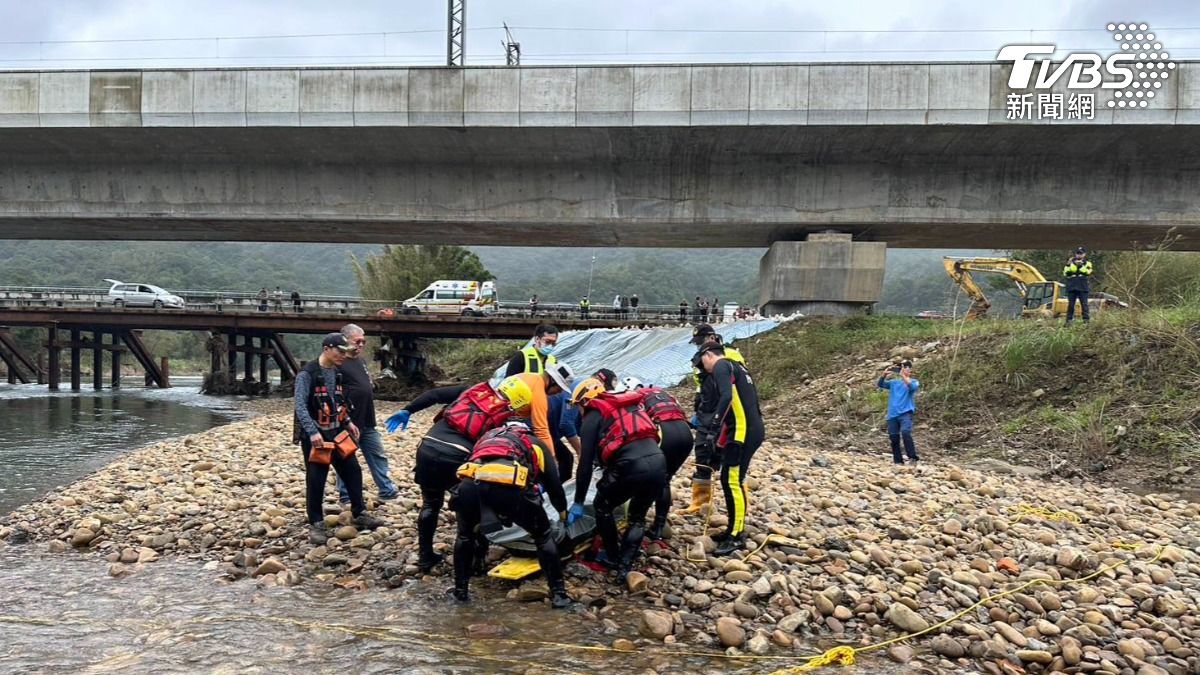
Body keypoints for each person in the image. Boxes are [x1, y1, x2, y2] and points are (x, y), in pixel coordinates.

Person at [384, 364, 574, 570]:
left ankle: (425, 556)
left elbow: (434, 395)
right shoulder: (505, 416)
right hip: (457, 455)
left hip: (427, 447)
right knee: (475, 507)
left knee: (430, 503)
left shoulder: (473, 391)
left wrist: (408, 410)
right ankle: (477, 561)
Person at [451, 421, 572, 608]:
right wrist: (563, 513)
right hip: (509, 488)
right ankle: (559, 596)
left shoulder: (486, 439)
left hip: (470, 486)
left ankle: (460, 591)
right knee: (543, 537)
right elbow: (554, 485)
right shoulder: (534, 443)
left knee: (465, 536)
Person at [566, 378, 666, 580]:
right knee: (637, 518)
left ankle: (611, 556)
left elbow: (585, 464)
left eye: (577, 406)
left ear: (584, 401)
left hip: (630, 466)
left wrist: (578, 502)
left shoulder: (593, 415)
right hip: (658, 461)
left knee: (602, 507)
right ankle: (625, 567)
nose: (579, 411)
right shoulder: (628, 406)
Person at [294, 333, 384, 545]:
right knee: (316, 478)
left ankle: (359, 512)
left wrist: (348, 422)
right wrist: (312, 432)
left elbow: (339, 401)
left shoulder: (336, 372)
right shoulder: (307, 374)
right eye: (340, 351)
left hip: (337, 432)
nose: (344, 355)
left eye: (346, 352)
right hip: (316, 436)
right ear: (327, 349)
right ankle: (316, 523)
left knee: (353, 470)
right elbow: (300, 406)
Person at [695, 343, 764, 556]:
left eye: (702, 361)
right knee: (730, 479)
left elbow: (726, 397)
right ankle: (733, 528)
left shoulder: (721, 365)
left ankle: (736, 535)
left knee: (733, 481)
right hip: (748, 429)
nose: (702, 366)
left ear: (708, 354)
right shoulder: (738, 366)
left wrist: (713, 427)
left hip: (743, 432)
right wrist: (721, 441)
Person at [682, 324, 747, 515]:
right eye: (696, 343)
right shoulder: (700, 358)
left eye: (701, 341)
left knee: (731, 463)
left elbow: (738, 385)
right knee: (702, 456)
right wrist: (698, 410)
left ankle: (739, 506)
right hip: (705, 412)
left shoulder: (730, 355)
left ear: (711, 337)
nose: (698, 345)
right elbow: (700, 386)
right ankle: (700, 503)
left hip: (726, 413)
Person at [335, 324, 399, 505]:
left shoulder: (360, 361)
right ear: (345, 340)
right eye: (357, 341)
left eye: (363, 341)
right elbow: (334, 394)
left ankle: (387, 490)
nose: (361, 344)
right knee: (346, 458)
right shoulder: (338, 362)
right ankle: (346, 495)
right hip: (348, 421)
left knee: (378, 455)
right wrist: (344, 419)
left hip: (367, 419)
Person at [623, 377, 692, 541]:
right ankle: (659, 526)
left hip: (666, 434)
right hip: (686, 434)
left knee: (653, 480)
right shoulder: (662, 393)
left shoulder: (634, 398)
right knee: (665, 480)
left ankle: (636, 522)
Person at [878, 360, 920, 465]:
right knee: (894, 438)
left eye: (905, 367)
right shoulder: (894, 382)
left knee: (906, 432)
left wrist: (903, 376)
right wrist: (883, 375)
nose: (903, 369)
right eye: (901, 367)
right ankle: (898, 461)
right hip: (892, 414)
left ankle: (912, 458)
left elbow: (912, 387)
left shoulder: (914, 381)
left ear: (909, 369)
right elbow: (880, 384)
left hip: (905, 413)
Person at [1063, 246, 1094, 324]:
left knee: (1084, 304)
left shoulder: (1088, 263)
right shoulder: (1070, 262)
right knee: (1071, 305)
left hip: (1082, 286)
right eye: (1078, 253)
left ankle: (1086, 321)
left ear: (1084, 254)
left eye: (1081, 253)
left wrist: (1080, 266)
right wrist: (1068, 265)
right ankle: (1069, 321)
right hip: (1072, 286)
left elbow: (1087, 272)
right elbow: (1066, 273)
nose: (1079, 255)